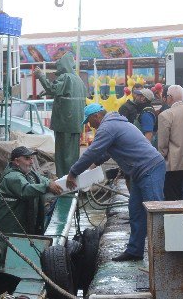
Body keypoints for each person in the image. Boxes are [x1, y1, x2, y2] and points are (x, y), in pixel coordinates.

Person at [67, 104, 165, 262]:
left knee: (154, 212)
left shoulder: (107, 128)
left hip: (149, 168)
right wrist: (92, 166)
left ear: (97, 116)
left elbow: (92, 151)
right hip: (139, 171)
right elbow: (104, 153)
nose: (89, 125)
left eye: (89, 120)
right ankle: (135, 251)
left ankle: (163, 253)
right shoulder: (115, 123)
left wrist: (73, 172)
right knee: (136, 212)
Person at [0, 146, 63, 235]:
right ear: (16, 161)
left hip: (21, 229)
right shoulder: (12, 177)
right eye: (27, 159)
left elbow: (40, 178)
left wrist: (50, 182)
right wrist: (47, 186)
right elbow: (26, 190)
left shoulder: (28, 173)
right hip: (8, 231)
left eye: (31, 159)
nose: (31, 162)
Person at [34, 52, 86, 177]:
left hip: (64, 124)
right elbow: (64, 93)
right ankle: (74, 179)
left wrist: (41, 75)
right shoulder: (78, 80)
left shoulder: (66, 77)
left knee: (62, 156)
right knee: (73, 155)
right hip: (76, 123)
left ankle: (64, 183)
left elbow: (53, 89)